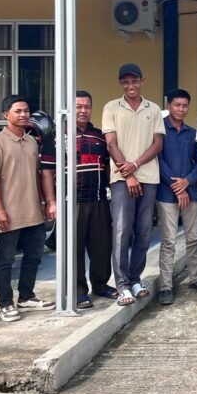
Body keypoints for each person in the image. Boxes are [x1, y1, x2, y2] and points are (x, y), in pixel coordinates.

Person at [0, 94, 57, 322]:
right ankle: (5, 304)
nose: (24, 114)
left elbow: (38, 175)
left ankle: (26, 297)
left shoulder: (32, 141)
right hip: (8, 211)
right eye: (18, 111)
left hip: (32, 210)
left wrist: (44, 202)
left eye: (26, 111)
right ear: (6, 114)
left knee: (34, 256)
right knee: (6, 260)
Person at [102, 63, 165, 307]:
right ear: (121, 83)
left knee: (144, 230)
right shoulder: (111, 107)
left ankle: (136, 280)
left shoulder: (154, 109)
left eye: (134, 81)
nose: (131, 86)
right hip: (121, 179)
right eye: (126, 81)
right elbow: (111, 143)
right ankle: (122, 286)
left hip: (148, 177)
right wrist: (128, 174)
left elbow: (157, 144)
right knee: (121, 230)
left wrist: (136, 165)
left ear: (142, 81)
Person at [156, 89, 197, 306]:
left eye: (185, 105)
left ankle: (195, 278)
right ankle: (166, 286)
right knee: (168, 241)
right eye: (177, 105)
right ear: (169, 105)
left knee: (194, 238)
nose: (181, 109)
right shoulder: (159, 132)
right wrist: (177, 186)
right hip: (166, 194)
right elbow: (158, 160)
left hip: (191, 193)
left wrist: (188, 181)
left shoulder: (192, 134)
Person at [72, 90, 116, 307]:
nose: (83, 111)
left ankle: (100, 284)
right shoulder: (58, 136)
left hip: (99, 198)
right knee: (75, 248)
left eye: (87, 106)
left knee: (101, 245)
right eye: (78, 106)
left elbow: (108, 166)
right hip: (73, 202)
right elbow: (48, 172)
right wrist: (51, 201)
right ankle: (79, 290)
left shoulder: (99, 135)